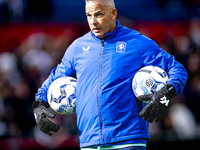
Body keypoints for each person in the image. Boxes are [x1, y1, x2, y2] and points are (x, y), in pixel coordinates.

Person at [32, 0, 188, 150]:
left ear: (113, 13)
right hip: (90, 141)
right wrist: (39, 104)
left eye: (98, 14)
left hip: (127, 140)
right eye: (88, 15)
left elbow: (177, 69)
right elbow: (54, 79)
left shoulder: (136, 42)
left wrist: (165, 93)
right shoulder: (77, 47)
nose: (93, 21)